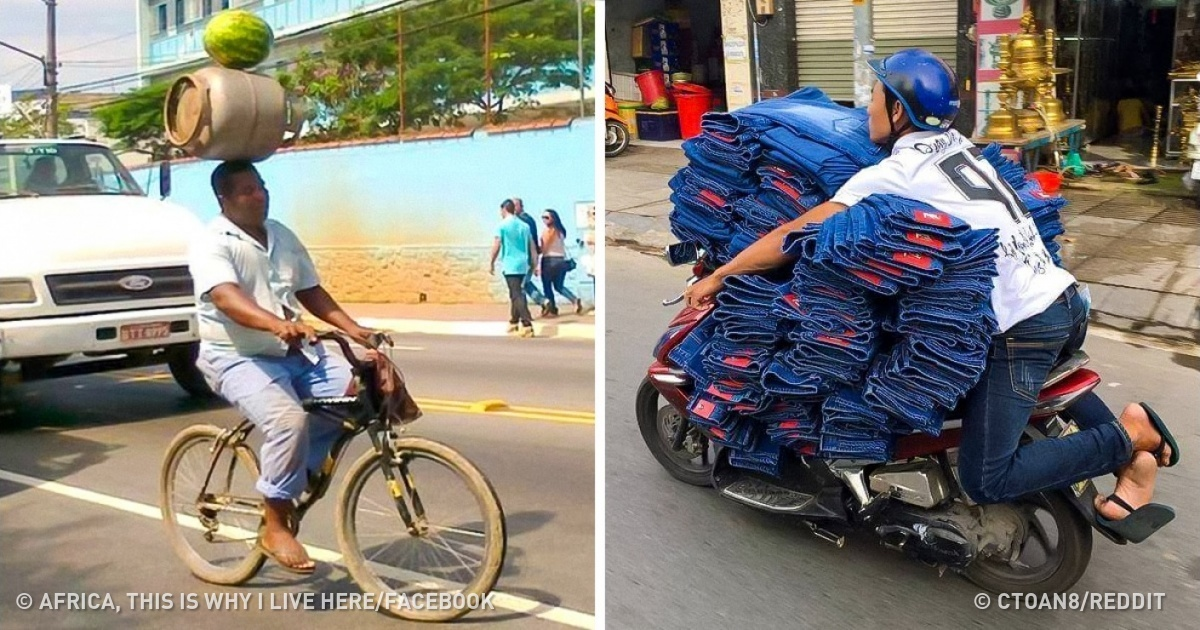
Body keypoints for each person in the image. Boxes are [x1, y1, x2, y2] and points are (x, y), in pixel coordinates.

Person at [683, 49, 1179, 542]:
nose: (867, 107)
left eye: (875, 96)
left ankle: (1128, 437)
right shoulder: (956, 146)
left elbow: (790, 235)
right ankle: (1135, 462)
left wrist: (719, 276)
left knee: (987, 477)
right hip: (1064, 299)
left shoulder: (896, 174)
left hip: (1025, 328)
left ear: (899, 111)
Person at [189, 160, 380, 573]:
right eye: (245, 190)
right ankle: (275, 524)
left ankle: (299, 471)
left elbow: (309, 290)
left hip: (291, 353)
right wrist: (277, 323)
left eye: (260, 186)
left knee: (354, 386)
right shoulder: (212, 241)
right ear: (224, 199)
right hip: (235, 356)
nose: (258, 195)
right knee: (288, 420)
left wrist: (355, 330)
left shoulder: (281, 234)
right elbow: (225, 298)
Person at [491, 199, 537, 337]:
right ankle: (513, 322)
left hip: (510, 264)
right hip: (523, 264)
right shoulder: (524, 226)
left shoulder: (502, 226)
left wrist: (491, 262)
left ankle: (527, 324)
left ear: (504, 209)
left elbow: (497, 244)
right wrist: (534, 263)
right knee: (515, 293)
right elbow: (532, 246)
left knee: (517, 294)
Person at [538, 208, 584, 317]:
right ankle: (574, 299)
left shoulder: (548, 231)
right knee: (559, 286)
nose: (544, 220)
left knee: (547, 286)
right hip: (561, 261)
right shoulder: (561, 231)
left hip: (549, 261)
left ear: (553, 218)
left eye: (546, 217)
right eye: (543, 217)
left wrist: (535, 252)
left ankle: (552, 308)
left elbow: (544, 248)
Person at [513, 197, 548, 314]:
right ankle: (543, 302)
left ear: (520, 206)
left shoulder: (520, 221)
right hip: (529, 255)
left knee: (520, 284)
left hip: (524, 256)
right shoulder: (529, 219)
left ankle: (539, 303)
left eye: (514, 206)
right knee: (525, 283)